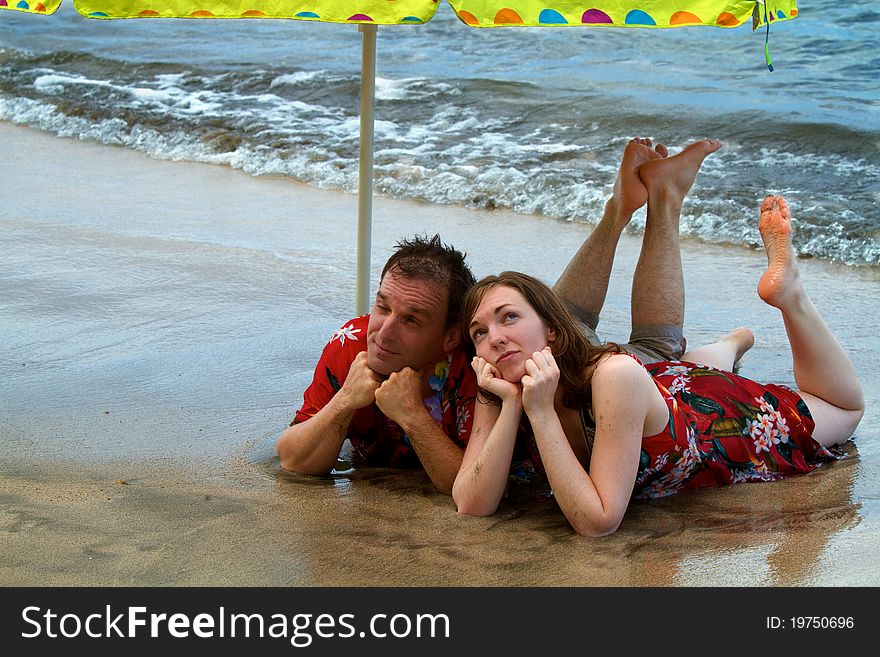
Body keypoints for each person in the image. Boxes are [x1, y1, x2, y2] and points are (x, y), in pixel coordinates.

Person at [277, 137, 722, 494]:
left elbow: (466, 483)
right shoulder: (353, 343)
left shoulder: (485, 364)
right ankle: (619, 209)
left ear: (453, 337)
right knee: (561, 314)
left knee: (654, 348)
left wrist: (411, 414)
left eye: (412, 320)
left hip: (568, 366)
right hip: (539, 334)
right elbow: (294, 460)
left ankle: (663, 197)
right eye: (382, 306)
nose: (383, 333)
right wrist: (345, 401)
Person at [454, 193, 865, 536]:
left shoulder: (612, 375)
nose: (494, 338)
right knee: (688, 367)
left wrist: (540, 411)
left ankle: (790, 293)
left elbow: (598, 522)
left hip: (719, 423)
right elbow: (471, 504)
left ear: (553, 333)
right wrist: (510, 406)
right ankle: (733, 342)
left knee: (846, 411)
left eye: (509, 317)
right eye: (479, 332)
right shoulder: (501, 388)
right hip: (669, 383)